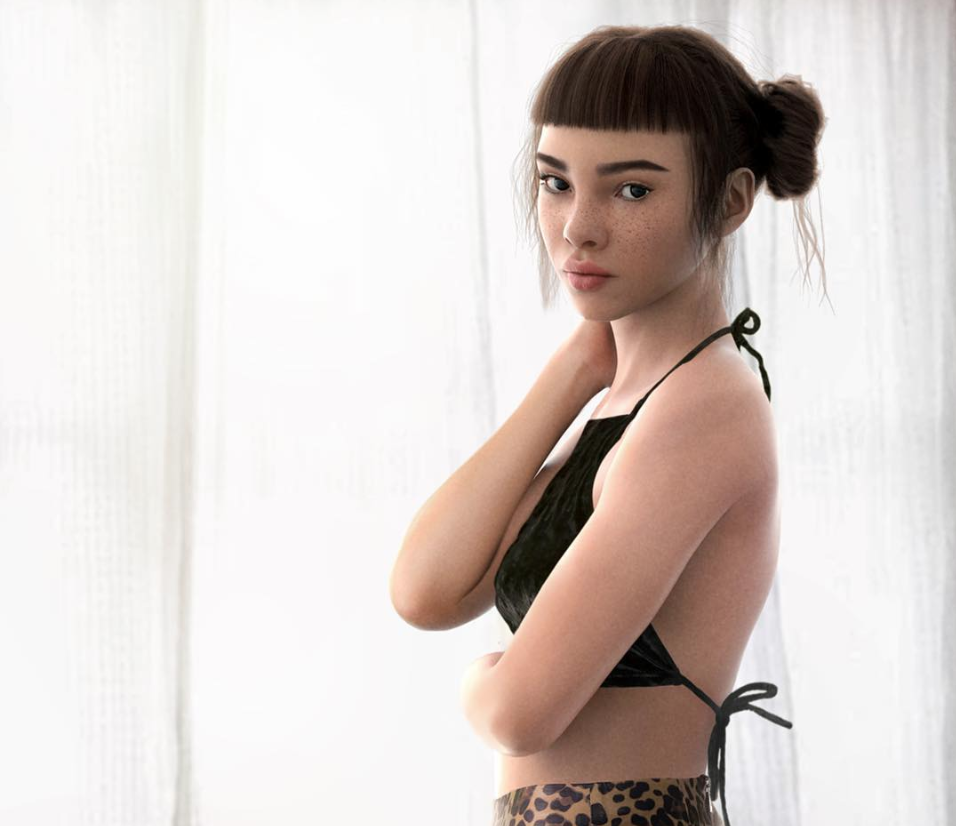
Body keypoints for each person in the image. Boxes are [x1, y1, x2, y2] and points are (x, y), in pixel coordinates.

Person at [389, 23, 827, 826]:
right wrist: (575, 373)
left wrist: (476, 680)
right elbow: (426, 589)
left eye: (631, 191)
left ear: (730, 202)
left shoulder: (703, 408)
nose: (577, 228)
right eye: (556, 183)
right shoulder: (636, 399)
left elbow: (519, 712)